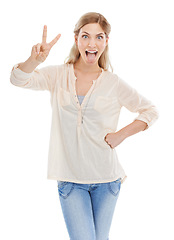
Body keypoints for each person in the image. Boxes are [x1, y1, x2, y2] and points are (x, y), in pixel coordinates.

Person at [10, 12, 159, 240]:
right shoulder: (58, 75)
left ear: (106, 41)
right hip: (71, 181)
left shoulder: (113, 83)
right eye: (86, 36)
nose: (92, 43)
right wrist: (35, 61)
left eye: (99, 37)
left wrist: (121, 135)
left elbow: (151, 111)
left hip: (107, 181)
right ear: (76, 39)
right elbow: (18, 79)